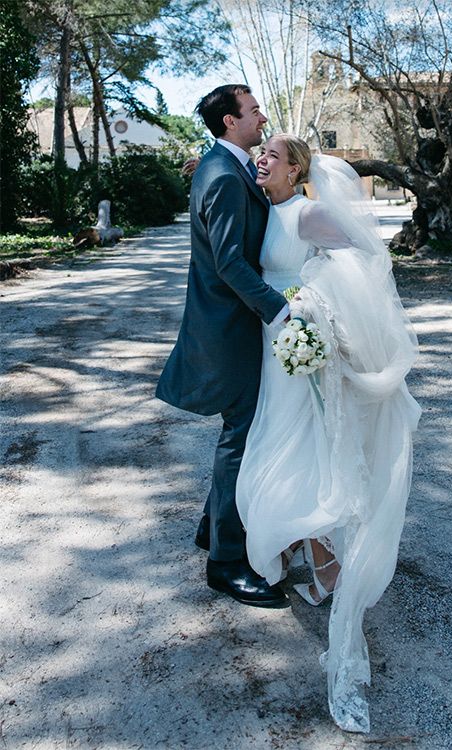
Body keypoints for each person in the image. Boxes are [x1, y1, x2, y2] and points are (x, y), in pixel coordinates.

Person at [236, 134, 421, 732]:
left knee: (302, 448)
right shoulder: (269, 206)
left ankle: (317, 550)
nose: (261, 160)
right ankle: (306, 549)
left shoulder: (309, 211)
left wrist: (313, 309)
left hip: (297, 347)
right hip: (275, 349)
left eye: (272, 156)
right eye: (258, 153)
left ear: (297, 168)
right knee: (279, 441)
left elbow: (363, 258)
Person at [155, 85, 290, 608]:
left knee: (241, 433)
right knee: (242, 438)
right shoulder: (224, 175)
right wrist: (282, 311)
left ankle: (213, 529)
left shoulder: (224, 166)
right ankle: (226, 565)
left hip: (228, 326)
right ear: (231, 122)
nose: (261, 117)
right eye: (253, 110)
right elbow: (230, 263)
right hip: (230, 330)